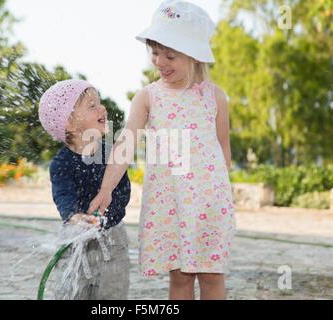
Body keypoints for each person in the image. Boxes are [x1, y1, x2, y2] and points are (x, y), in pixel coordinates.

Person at [88, 0, 236, 300]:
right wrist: (106, 189)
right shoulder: (148, 97)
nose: (160, 62)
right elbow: (125, 143)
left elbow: (223, 149)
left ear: (194, 55)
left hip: (208, 203)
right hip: (171, 201)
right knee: (180, 278)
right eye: (155, 52)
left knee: (211, 275)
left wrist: (219, 199)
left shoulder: (215, 97)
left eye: (170, 55)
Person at [38, 79, 131, 299]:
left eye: (100, 102)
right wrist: (73, 215)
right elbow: (62, 194)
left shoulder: (113, 155)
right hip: (76, 237)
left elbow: (122, 191)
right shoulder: (61, 164)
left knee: (113, 291)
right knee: (73, 291)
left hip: (113, 238)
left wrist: (107, 218)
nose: (102, 108)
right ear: (69, 124)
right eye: (92, 105)